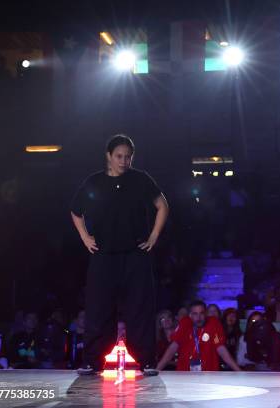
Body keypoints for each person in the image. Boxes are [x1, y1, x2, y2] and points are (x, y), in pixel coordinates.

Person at [70, 134, 169, 376]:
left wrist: (154, 236)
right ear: (109, 156)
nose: (124, 161)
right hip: (103, 255)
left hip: (135, 254)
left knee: (140, 308)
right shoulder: (94, 182)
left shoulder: (140, 180)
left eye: (128, 157)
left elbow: (163, 205)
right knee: (98, 308)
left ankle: (146, 361)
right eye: (119, 156)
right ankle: (93, 361)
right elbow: (75, 211)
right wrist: (84, 237)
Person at [156, 301, 241, 372]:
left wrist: (238, 371)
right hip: (185, 374)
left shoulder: (213, 323)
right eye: (195, 314)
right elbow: (172, 348)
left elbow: (221, 348)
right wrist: (157, 370)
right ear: (190, 315)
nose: (198, 317)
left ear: (206, 314)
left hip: (209, 374)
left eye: (201, 313)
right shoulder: (185, 323)